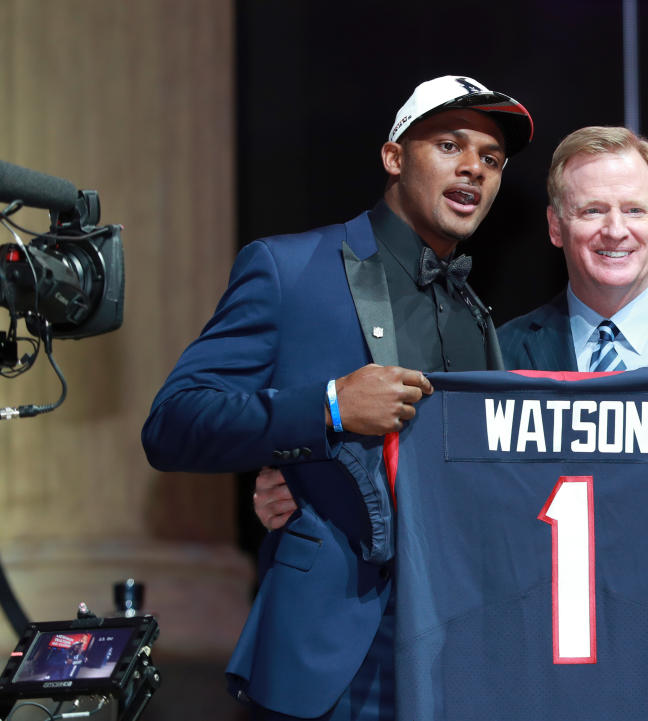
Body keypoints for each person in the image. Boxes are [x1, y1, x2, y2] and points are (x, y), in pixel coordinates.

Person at [253, 126, 648, 721]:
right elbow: (447, 507)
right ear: (555, 227)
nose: (616, 230)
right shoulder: (499, 354)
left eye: (634, 209)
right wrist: (311, 490)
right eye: (592, 210)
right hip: (544, 682)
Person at [141, 75, 534, 721]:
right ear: (393, 156)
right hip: (341, 643)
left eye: (491, 160)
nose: (474, 167)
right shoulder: (288, 267)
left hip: (463, 645)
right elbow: (174, 422)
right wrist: (326, 408)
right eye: (449, 145)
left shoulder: (476, 312)